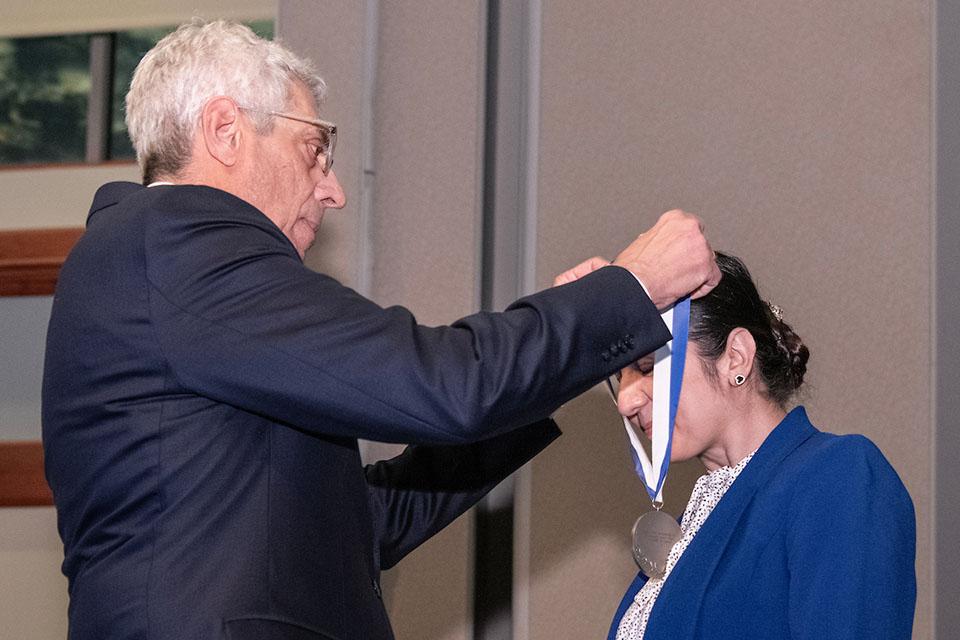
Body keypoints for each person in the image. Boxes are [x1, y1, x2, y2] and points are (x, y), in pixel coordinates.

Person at [41, 20, 720, 640]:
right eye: (316, 148)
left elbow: (357, 526)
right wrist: (632, 289)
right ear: (224, 132)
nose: (332, 190)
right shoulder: (178, 242)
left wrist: (557, 360)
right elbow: (445, 383)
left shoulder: (165, 273)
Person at [605, 253, 916, 640]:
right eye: (619, 378)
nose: (626, 401)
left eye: (648, 367)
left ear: (735, 357)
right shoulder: (698, 519)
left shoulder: (837, 476)